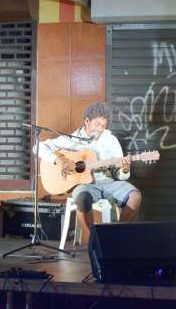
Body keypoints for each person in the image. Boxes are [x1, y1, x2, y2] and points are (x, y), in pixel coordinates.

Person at [38, 102, 142, 243]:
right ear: (87, 121)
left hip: (108, 181)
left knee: (135, 196)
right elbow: (38, 147)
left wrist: (124, 169)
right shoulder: (72, 140)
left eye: (103, 126)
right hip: (85, 184)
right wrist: (59, 160)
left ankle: (116, 234)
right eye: (97, 124)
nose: (100, 129)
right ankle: (95, 238)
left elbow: (120, 174)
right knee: (82, 198)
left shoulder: (110, 140)